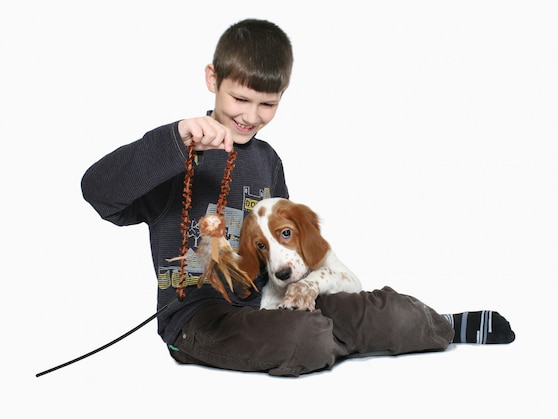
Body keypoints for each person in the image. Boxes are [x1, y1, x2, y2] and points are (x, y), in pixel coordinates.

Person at [81, 18, 515, 377]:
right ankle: (336, 339)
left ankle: (438, 325)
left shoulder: (268, 161)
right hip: (199, 320)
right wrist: (174, 140)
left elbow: (287, 255)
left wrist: (309, 286)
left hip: (270, 299)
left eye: (266, 105)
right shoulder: (177, 152)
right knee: (307, 337)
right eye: (239, 98)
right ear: (213, 78)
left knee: (387, 315)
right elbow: (99, 192)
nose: (250, 116)